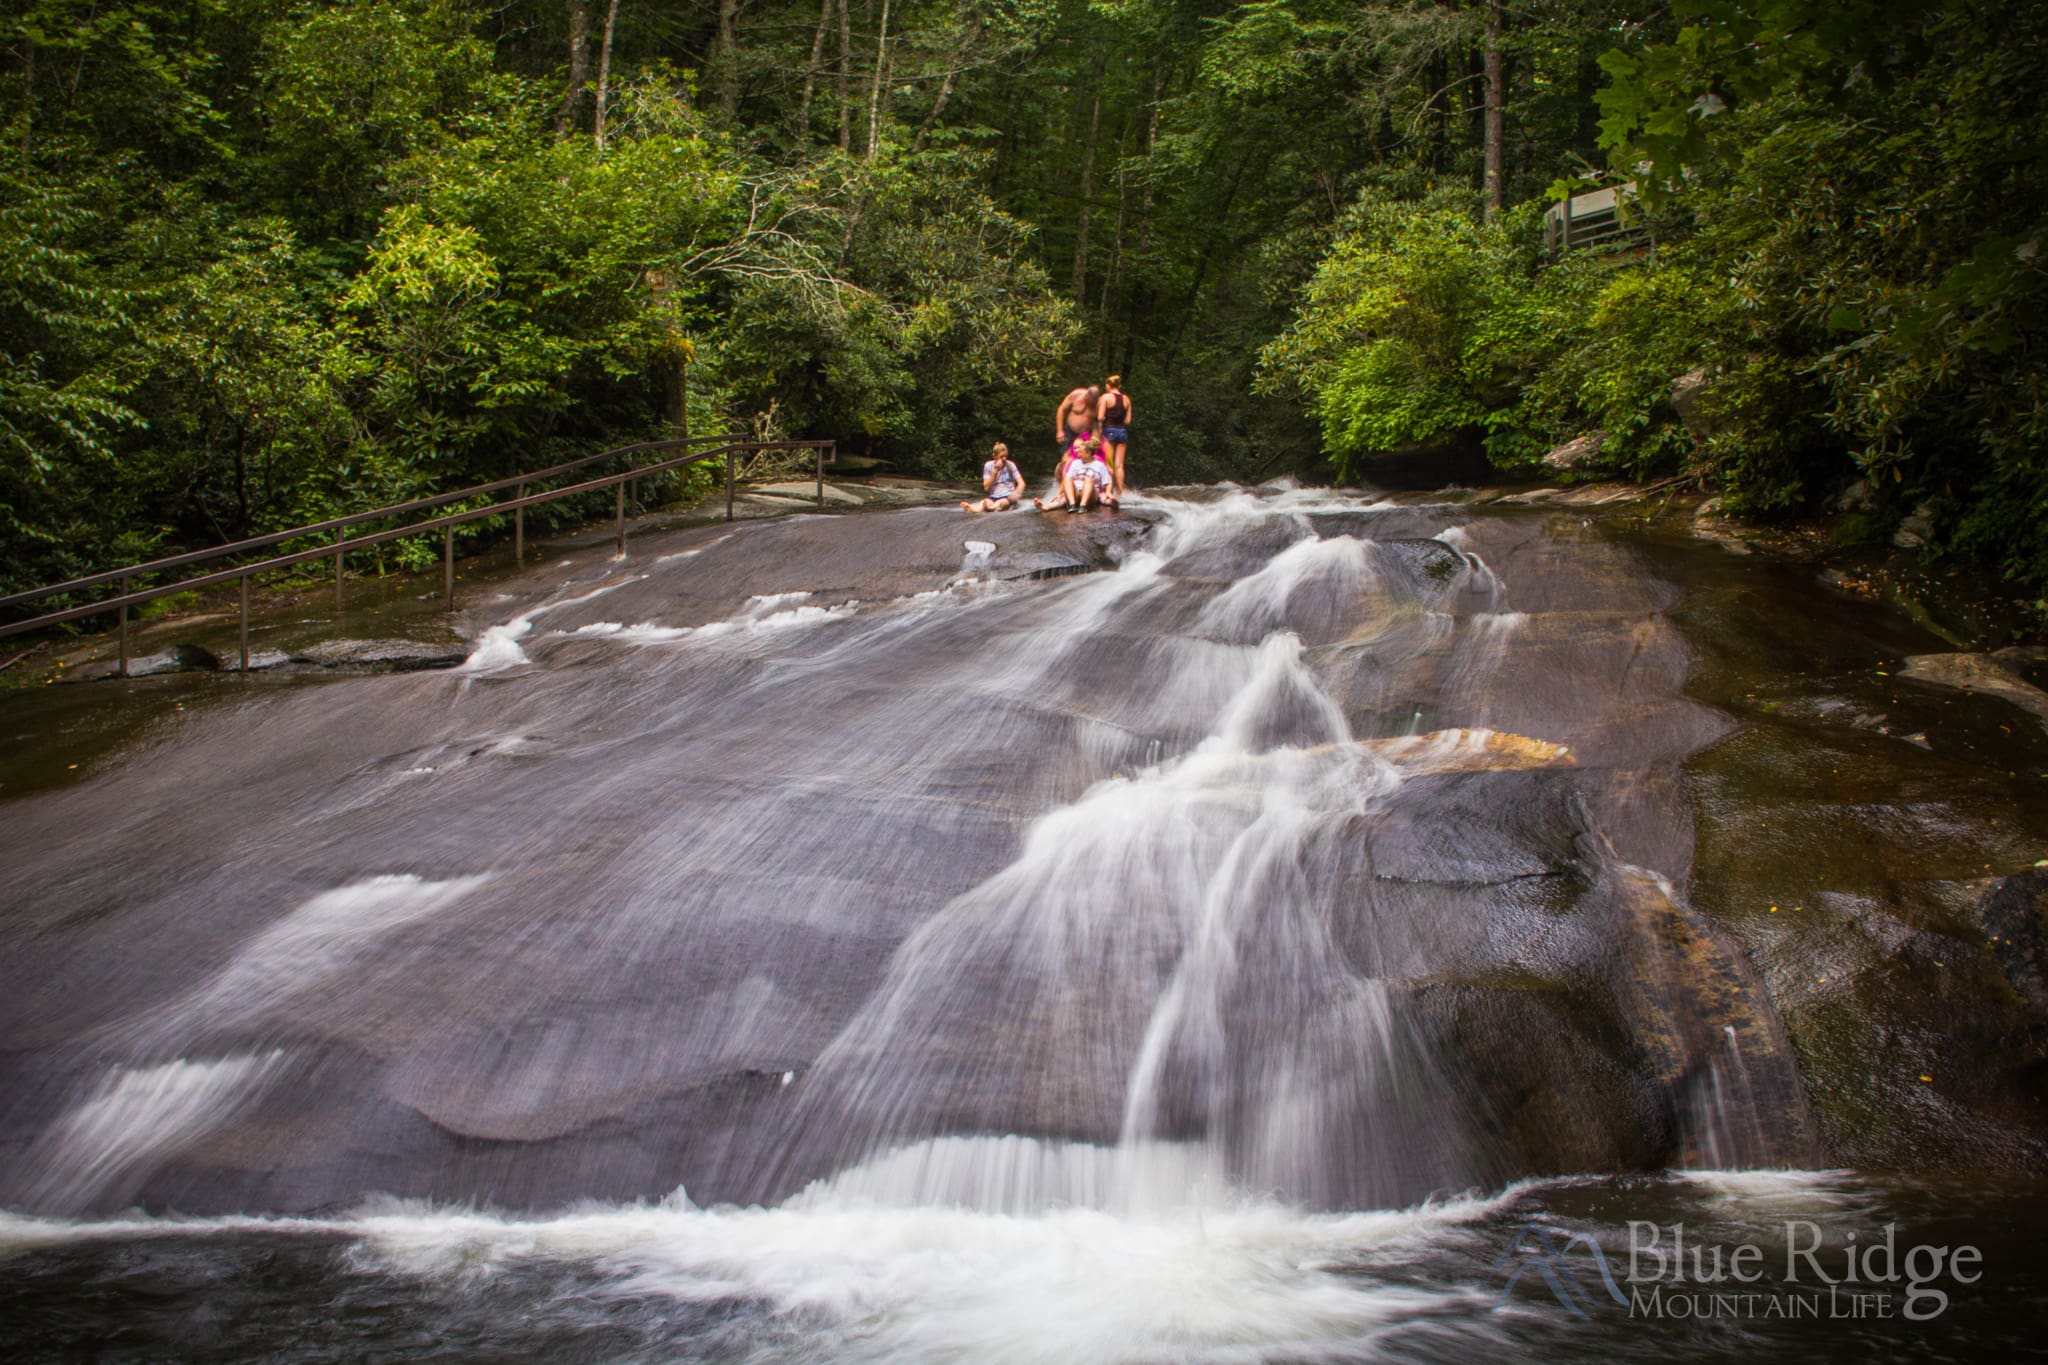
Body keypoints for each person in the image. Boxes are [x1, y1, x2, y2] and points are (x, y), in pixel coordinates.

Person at [1096, 375, 1132, 496]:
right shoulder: (1126, 399)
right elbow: (1128, 420)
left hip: (1108, 430)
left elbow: (1100, 417)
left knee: (1109, 463)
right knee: (1119, 465)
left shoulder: (1105, 397)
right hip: (1122, 431)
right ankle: (1120, 492)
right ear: (1119, 385)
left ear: (1108, 385)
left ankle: (1109, 491)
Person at [962, 442, 1025, 513]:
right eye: (1001, 457)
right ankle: (975, 510)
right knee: (986, 502)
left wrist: (1017, 494)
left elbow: (1021, 483)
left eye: (1006, 456)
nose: (1004, 459)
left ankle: (991, 508)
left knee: (1002, 502)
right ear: (995, 456)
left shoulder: (1010, 465)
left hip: (1007, 496)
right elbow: (986, 487)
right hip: (994, 495)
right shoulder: (988, 465)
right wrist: (995, 471)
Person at [1054, 382, 1099, 463]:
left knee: (1084, 457)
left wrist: (1095, 438)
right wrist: (1059, 430)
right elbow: (1061, 409)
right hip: (1069, 431)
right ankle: (1065, 470)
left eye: (1090, 399)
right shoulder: (1076, 395)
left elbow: (1097, 423)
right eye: (1086, 396)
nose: (1086, 398)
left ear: (1095, 399)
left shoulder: (1098, 405)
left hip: (1085, 435)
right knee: (1066, 457)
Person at [1070, 434, 1116, 512]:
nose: (1077, 451)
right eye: (1075, 448)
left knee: (1089, 480)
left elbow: (1108, 479)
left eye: (1079, 449)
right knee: (1067, 478)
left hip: (1092, 491)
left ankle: (1083, 506)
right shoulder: (1075, 462)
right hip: (1077, 490)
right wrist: (1059, 494)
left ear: (1088, 452)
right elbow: (1067, 478)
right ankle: (1072, 505)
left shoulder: (1098, 462)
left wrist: (1107, 492)